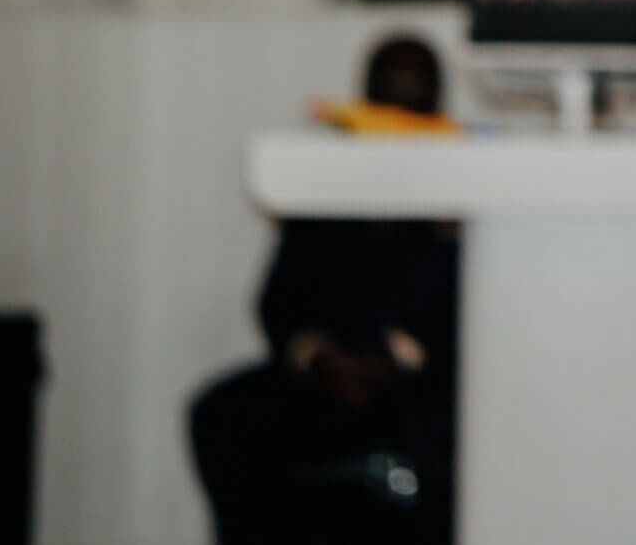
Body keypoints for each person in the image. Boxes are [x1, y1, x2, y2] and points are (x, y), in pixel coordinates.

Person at [188, 35, 460, 545]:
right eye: (386, 91)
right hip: (326, 375)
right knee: (222, 416)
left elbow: (457, 310)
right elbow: (279, 301)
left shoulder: (461, 189)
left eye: (412, 91)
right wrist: (318, 357)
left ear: (435, 102)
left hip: (415, 384)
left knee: (460, 437)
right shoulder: (324, 185)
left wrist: (395, 359)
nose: (398, 106)